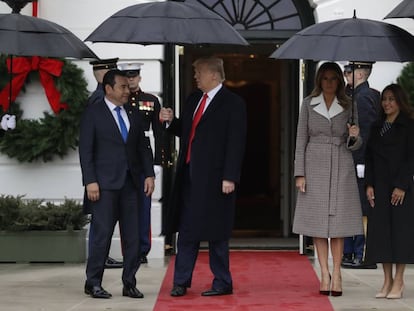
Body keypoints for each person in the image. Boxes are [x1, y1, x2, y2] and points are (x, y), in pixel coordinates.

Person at [159, 56, 246, 297]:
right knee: (187, 230)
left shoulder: (233, 103)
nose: (195, 76)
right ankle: (181, 281)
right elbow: (187, 131)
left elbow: (236, 143)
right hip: (189, 176)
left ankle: (222, 281)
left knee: (217, 231)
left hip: (217, 179)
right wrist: (170, 121)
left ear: (214, 75)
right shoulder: (194, 99)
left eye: (199, 72)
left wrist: (230, 176)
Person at [79, 69, 155, 299]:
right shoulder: (93, 113)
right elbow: (86, 150)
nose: (127, 90)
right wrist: (90, 181)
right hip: (104, 187)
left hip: (131, 184)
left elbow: (142, 146)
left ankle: (129, 282)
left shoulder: (133, 112)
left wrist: (149, 174)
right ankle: (93, 282)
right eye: (122, 86)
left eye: (128, 86)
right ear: (108, 88)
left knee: (132, 236)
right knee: (102, 236)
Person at [293, 62, 363, 297]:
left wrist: (354, 136)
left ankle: (337, 273)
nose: (330, 82)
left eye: (334, 78)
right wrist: (299, 173)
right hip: (314, 165)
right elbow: (300, 140)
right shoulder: (308, 104)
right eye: (325, 78)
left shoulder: (350, 105)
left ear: (340, 81)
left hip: (342, 164)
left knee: (339, 224)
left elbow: (355, 145)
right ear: (319, 81)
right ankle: (324, 272)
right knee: (317, 223)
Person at [364, 83, 414, 299]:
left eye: (391, 99)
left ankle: (399, 280)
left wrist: (402, 185)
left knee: (400, 234)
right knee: (381, 233)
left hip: (401, 188)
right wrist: (369, 184)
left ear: (400, 101)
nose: (387, 103)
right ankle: (387, 280)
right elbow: (369, 158)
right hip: (380, 187)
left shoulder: (409, 126)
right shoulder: (376, 127)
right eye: (384, 99)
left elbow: (411, 158)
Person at [118, 62, 163, 264]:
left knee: (144, 207)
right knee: (124, 207)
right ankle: (129, 249)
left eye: (134, 76)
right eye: (128, 76)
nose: (131, 80)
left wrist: (157, 163)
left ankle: (142, 249)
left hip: (144, 158)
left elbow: (159, 133)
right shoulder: (119, 101)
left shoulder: (151, 101)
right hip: (125, 158)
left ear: (140, 77)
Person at [341, 62, 380, 269]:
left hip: (359, 162)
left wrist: (361, 164)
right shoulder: (355, 95)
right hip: (356, 160)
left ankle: (360, 253)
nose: (345, 74)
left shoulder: (363, 97)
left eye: (349, 71)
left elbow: (366, 134)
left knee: (359, 208)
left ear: (361, 73)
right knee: (351, 207)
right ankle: (349, 251)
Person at [87, 58, 124, 269]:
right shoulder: (98, 100)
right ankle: (99, 259)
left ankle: (103, 256)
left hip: (108, 175)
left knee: (104, 223)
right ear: (101, 74)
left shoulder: (105, 97)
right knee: (101, 225)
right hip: (103, 175)